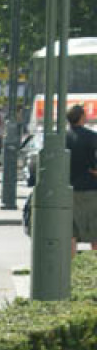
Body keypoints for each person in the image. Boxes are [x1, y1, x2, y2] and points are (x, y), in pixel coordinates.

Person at [66, 104, 97, 254]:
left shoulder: (62, 137)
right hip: (90, 190)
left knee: (71, 232)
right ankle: (93, 267)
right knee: (94, 232)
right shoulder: (92, 137)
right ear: (82, 117)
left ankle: (71, 267)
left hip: (67, 189)